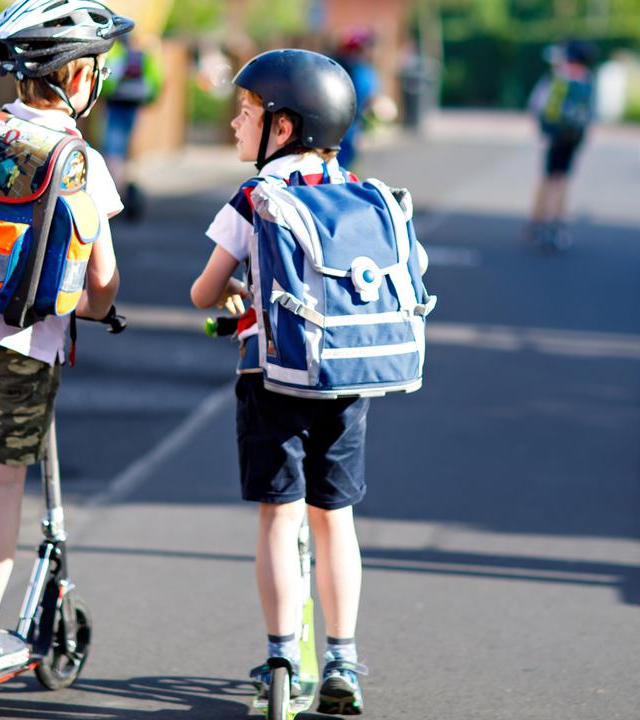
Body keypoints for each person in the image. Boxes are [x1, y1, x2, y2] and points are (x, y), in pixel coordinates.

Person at [190, 48, 426, 716]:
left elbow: (204, 289)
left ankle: (282, 656)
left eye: (245, 113)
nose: (236, 124)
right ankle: (343, 658)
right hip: (348, 377)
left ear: (283, 128)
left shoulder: (256, 199)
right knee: (336, 520)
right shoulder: (359, 192)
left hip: (275, 378)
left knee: (278, 515)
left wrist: (238, 293)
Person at [0, 0, 129, 677]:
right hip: (28, 342)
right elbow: (101, 277)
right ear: (74, 78)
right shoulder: (79, 159)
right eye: (94, 68)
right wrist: (103, 309)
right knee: (4, 483)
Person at [526, 39, 596, 250]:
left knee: (549, 178)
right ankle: (557, 223)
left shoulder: (558, 76)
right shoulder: (587, 79)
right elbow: (592, 111)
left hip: (555, 134)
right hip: (574, 136)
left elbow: (536, 103)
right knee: (563, 179)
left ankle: (540, 222)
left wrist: (542, 126)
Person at [101, 36, 162, 221]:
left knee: (113, 149)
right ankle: (129, 186)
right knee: (128, 148)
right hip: (134, 103)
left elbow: (107, 81)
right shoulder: (143, 55)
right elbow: (156, 81)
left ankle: (117, 194)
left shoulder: (115, 54)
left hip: (115, 103)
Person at [334, 29, 379, 170]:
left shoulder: (365, 71)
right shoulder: (353, 70)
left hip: (352, 125)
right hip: (342, 125)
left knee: (346, 161)